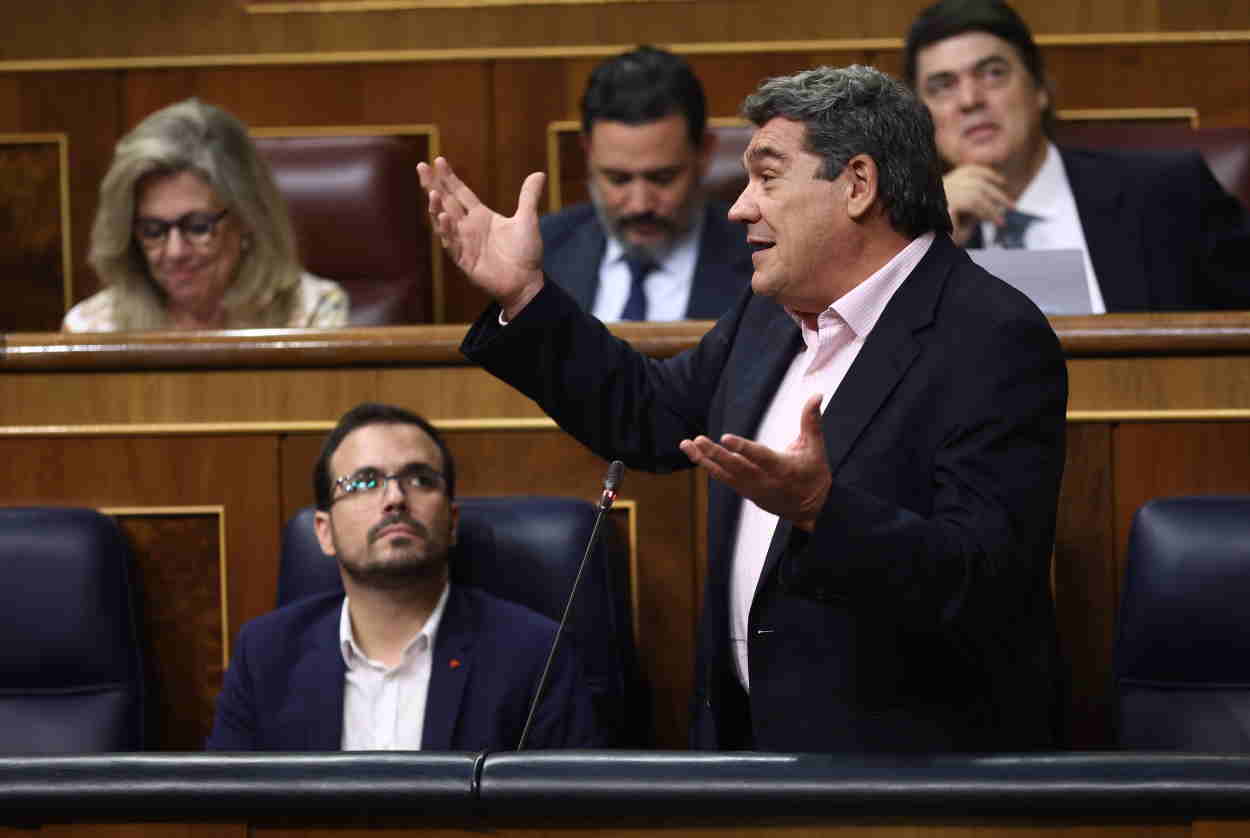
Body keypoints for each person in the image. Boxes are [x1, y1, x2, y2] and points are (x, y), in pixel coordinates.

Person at [420, 64, 1068, 752]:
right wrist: (525, 296)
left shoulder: (991, 336)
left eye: (767, 176)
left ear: (858, 184)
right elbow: (646, 417)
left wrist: (824, 509)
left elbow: (984, 581)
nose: (739, 206)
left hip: (908, 779)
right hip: (749, 759)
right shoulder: (770, 316)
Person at [206, 402, 603, 750]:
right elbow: (226, 817)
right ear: (324, 532)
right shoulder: (266, 656)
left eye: (420, 479)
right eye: (364, 482)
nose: (395, 498)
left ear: (452, 521)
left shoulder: (534, 655)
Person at [904, 0, 1250, 312]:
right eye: (943, 86)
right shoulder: (910, 237)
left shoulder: (1169, 193)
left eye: (993, 73)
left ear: (1039, 89)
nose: (970, 100)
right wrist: (931, 241)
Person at [64, 98, 348, 331]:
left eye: (198, 227)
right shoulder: (90, 329)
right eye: (152, 230)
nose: (175, 252)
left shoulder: (314, 313)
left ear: (247, 218)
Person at [542, 45, 752, 321]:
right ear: (588, 152)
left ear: (704, 153)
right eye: (618, 179)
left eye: (663, 178)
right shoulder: (543, 251)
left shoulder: (760, 264)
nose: (640, 204)